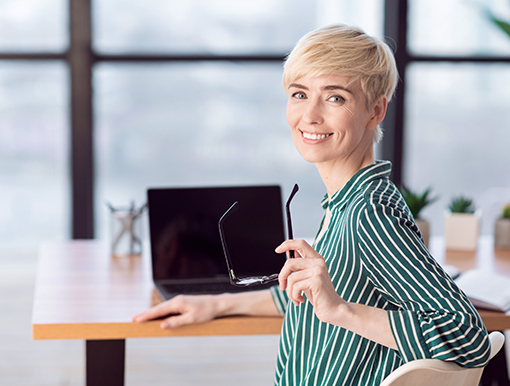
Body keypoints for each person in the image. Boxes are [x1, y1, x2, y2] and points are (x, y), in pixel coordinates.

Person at [133, 24, 490, 385]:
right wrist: (216, 304)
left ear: (375, 111)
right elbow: (312, 298)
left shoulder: (370, 214)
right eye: (299, 94)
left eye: (335, 98)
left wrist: (341, 310)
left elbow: (467, 337)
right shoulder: (344, 202)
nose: (310, 116)